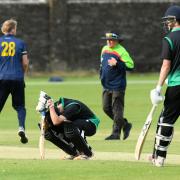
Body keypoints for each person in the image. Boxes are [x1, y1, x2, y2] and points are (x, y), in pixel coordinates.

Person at [150, 5, 180, 167]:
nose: (167, 23)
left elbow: (166, 66)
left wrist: (159, 87)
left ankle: (159, 157)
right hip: (175, 81)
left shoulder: (169, 38)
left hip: (176, 86)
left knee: (166, 120)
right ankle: (155, 154)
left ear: (176, 20)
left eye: (169, 20)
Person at [36, 91, 100, 160]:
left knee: (70, 126)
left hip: (90, 124)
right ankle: (74, 153)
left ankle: (86, 153)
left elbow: (56, 121)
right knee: (48, 132)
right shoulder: (56, 106)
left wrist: (51, 107)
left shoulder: (73, 106)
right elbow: (50, 121)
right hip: (74, 123)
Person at [100, 31, 134, 140]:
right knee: (106, 108)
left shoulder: (121, 51)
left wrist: (117, 64)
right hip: (106, 85)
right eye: (108, 40)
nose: (109, 42)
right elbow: (102, 64)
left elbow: (131, 65)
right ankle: (124, 124)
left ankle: (116, 133)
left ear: (117, 41)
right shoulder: (104, 49)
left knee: (117, 110)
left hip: (118, 85)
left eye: (112, 40)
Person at [0, 19, 29, 144]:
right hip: (17, 78)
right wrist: (23, 74)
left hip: (1, 78)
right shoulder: (20, 43)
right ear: (13, 29)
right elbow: (25, 62)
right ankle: (21, 128)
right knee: (20, 107)